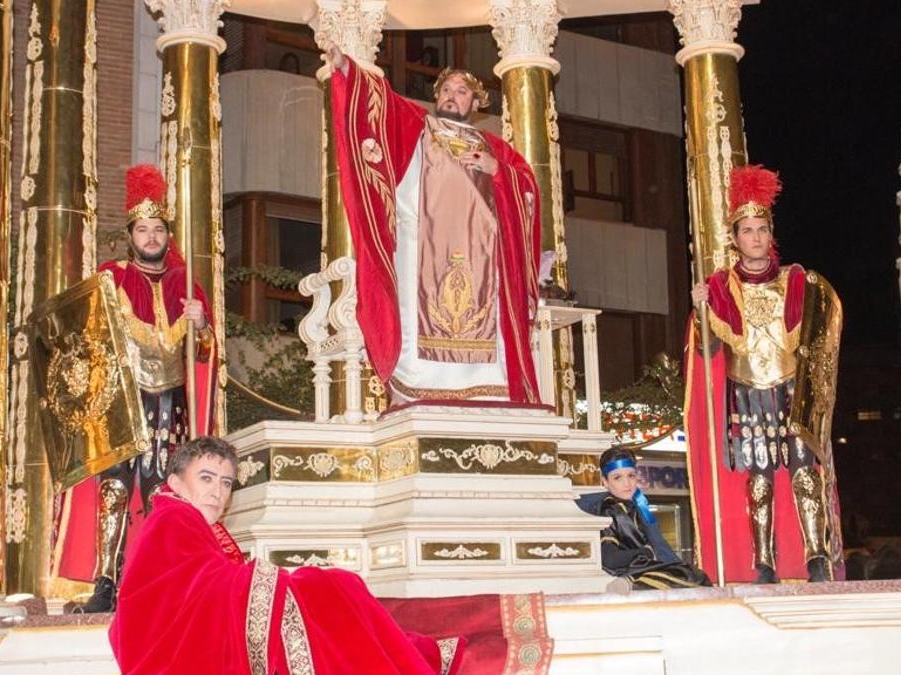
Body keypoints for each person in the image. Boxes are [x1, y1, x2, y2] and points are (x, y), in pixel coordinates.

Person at [109, 437, 464, 675]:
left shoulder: (183, 519)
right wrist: (282, 583)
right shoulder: (173, 519)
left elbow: (203, 583)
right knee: (332, 588)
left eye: (226, 482)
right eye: (206, 478)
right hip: (172, 653)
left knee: (335, 592)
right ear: (174, 482)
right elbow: (195, 591)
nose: (217, 492)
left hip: (197, 638)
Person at [326, 44, 542, 405]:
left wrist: (498, 172)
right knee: (417, 313)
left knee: (486, 318)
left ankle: (489, 389)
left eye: (461, 92)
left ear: (476, 104)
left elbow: (529, 192)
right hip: (420, 249)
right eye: (445, 90)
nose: (451, 97)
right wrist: (348, 69)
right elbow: (381, 103)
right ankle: (418, 386)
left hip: (483, 260)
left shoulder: (496, 149)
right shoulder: (418, 127)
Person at [59, 164, 218, 613]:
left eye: (158, 229)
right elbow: (87, 336)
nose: (151, 237)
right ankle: (105, 581)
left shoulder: (186, 284)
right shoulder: (111, 276)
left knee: (160, 491)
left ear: (168, 234)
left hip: (170, 400)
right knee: (112, 489)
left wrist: (201, 324)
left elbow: (204, 352)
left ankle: (154, 579)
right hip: (121, 395)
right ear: (131, 235)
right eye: (143, 229)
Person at [685, 164, 842, 584]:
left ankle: (817, 556)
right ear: (735, 240)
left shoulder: (798, 281)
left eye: (761, 229)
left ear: (771, 234)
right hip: (748, 391)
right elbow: (708, 351)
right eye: (747, 230)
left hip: (791, 387)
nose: (755, 237)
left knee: (805, 473)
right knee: (759, 480)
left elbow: (820, 336)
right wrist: (701, 313)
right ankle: (765, 562)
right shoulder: (718, 287)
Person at [576, 447, 709, 589]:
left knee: (691, 574)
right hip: (630, 569)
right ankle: (632, 583)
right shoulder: (611, 508)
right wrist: (647, 552)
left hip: (641, 568)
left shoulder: (634, 506)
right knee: (695, 577)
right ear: (605, 481)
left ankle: (632, 582)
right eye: (618, 478)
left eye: (631, 476)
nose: (626, 483)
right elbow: (609, 559)